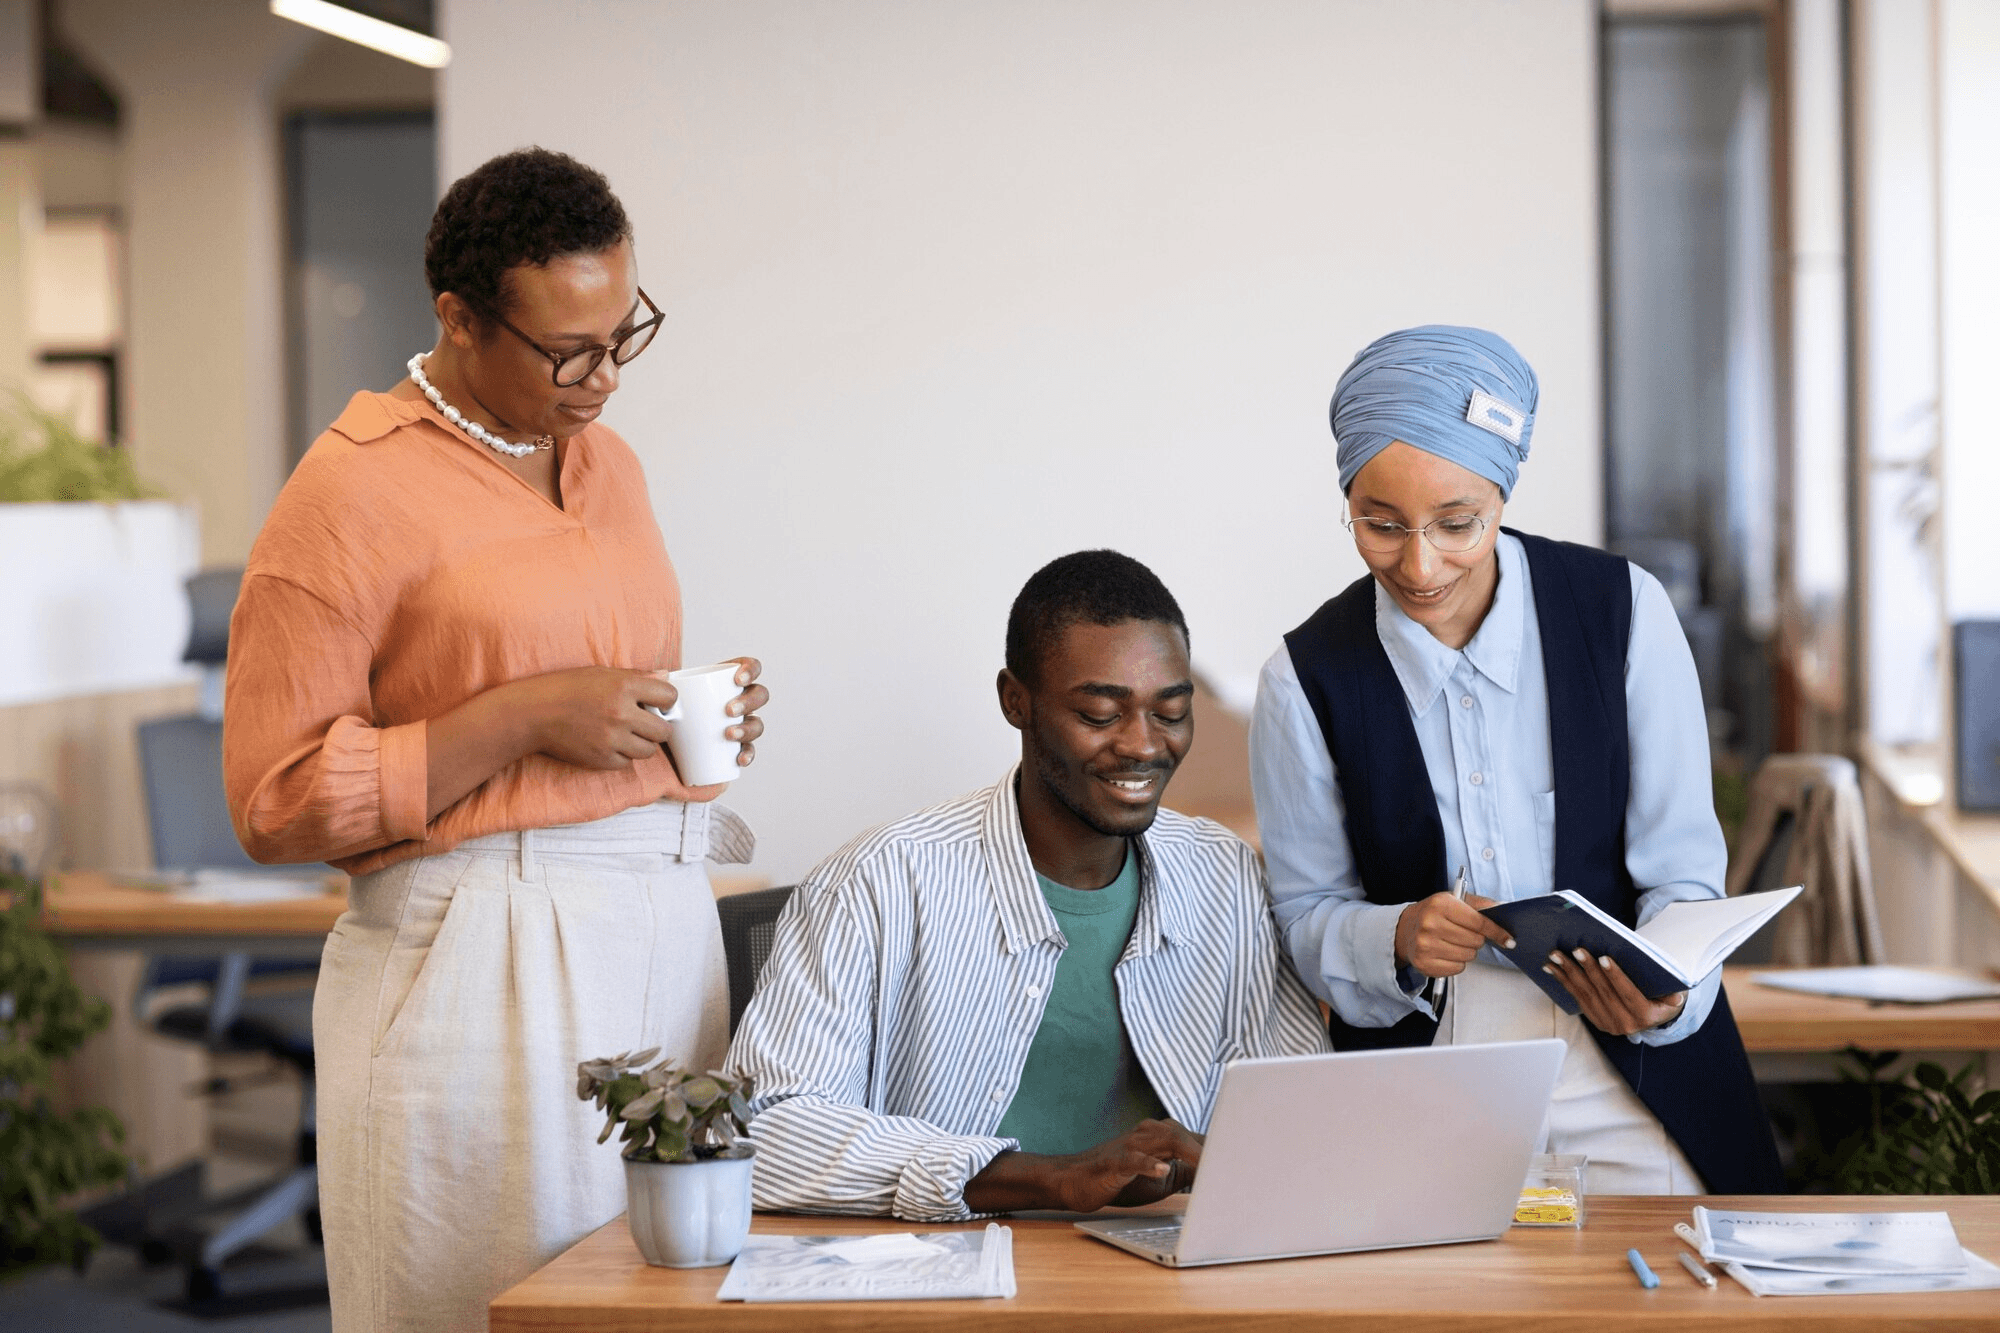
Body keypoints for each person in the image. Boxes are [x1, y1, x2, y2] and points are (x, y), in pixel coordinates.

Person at [223, 148, 769, 1332]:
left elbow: (588, 688)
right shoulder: (346, 495)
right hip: (482, 952)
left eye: (623, 333)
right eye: (568, 349)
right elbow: (273, 798)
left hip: (662, 936)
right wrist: (515, 718)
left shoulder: (608, 465)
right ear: (459, 320)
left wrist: (677, 723)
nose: (604, 377)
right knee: (474, 1302)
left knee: (666, 1302)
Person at [1249, 325, 1784, 1196]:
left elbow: (1685, 873)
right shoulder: (1302, 680)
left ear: (1502, 494)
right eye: (1380, 525)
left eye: (1457, 523)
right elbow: (1306, 912)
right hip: (1423, 1083)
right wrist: (1395, 935)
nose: (1420, 565)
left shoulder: (1623, 615)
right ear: (1347, 500)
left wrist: (1670, 997)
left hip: (1634, 1078)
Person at [726, 550, 1326, 1219]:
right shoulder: (877, 881)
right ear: (1017, 701)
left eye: (1171, 711)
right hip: (947, 1281)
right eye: (1101, 713)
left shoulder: (1225, 875)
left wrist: (1226, 1153)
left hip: (1165, 1270)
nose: (1143, 744)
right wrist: (1045, 1178)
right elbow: (764, 1131)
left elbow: (1305, 1112)